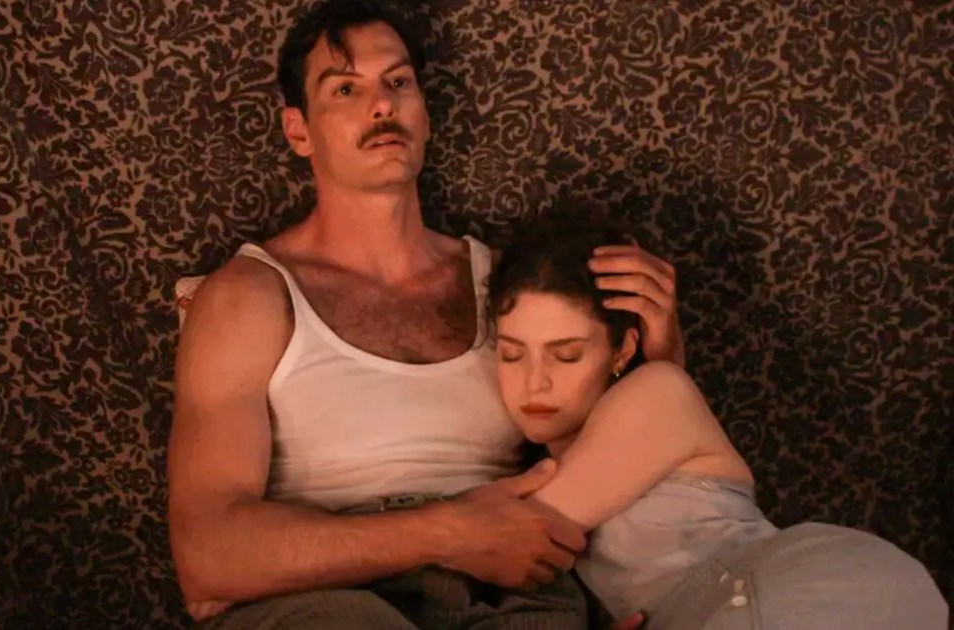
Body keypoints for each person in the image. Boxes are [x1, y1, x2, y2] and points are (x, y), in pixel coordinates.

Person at [170, 1, 679, 627]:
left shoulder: (505, 282)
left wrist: (660, 357)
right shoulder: (247, 296)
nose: (381, 105)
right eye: (346, 89)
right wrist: (448, 531)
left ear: (425, 112)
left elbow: (606, 455)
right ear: (298, 131)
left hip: (502, 588)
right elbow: (208, 555)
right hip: (325, 595)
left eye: (398, 82)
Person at [488, 211, 948, 629]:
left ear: (623, 350)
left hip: (809, 594)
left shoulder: (660, 392)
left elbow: (503, 538)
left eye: (567, 355)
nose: (535, 382)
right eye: (511, 354)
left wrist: (450, 533)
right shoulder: (522, 486)